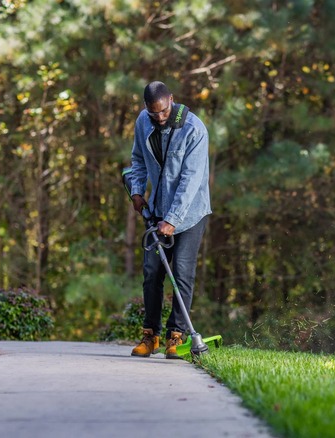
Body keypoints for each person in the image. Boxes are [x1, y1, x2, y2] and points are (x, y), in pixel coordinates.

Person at [127, 81, 211, 359]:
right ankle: (150, 336)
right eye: (154, 113)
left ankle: (176, 337)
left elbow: (190, 180)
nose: (159, 117)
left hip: (190, 212)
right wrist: (138, 191)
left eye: (163, 111)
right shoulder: (144, 121)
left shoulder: (194, 129)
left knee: (182, 273)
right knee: (152, 273)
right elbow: (138, 159)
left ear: (171, 101)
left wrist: (173, 219)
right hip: (157, 210)